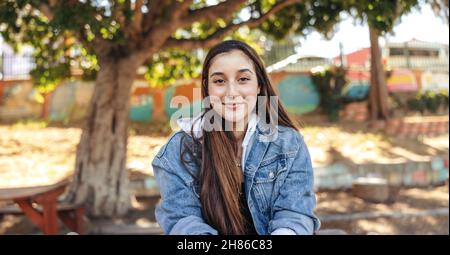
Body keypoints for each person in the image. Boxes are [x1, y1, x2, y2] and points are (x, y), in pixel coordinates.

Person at [152, 40, 320, 235]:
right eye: (219, 81)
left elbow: (295, 214)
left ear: (259, 85)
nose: (232, 92)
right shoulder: (180, 149)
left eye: (243, 79)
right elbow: (182, 221)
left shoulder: (290, 144)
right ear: (207, 88)